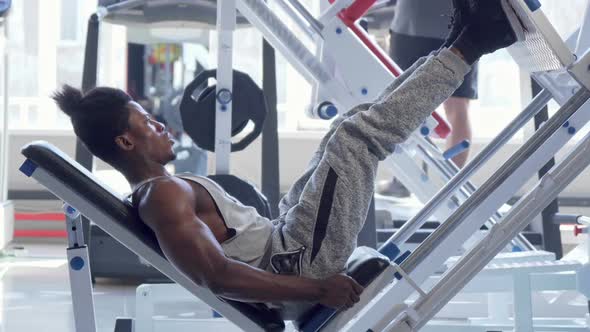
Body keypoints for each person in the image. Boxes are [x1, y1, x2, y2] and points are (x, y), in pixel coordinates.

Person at [51, 0, 519, 315]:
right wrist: (319, 289)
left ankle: (458, 42)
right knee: (355, 138)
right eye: (146, 123)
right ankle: (471, 44)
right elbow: (215, 276)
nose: (160, 125)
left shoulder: (164, 190)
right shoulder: (161, 196)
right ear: (126, 143)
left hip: (286, 240)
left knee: (345, 127)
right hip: (297, 262)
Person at [378, 0, 480, 197]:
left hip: (414, 22)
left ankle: (402, 182)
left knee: (404, 104)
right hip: (462, 23)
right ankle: (452, 190)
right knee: (458, 108)